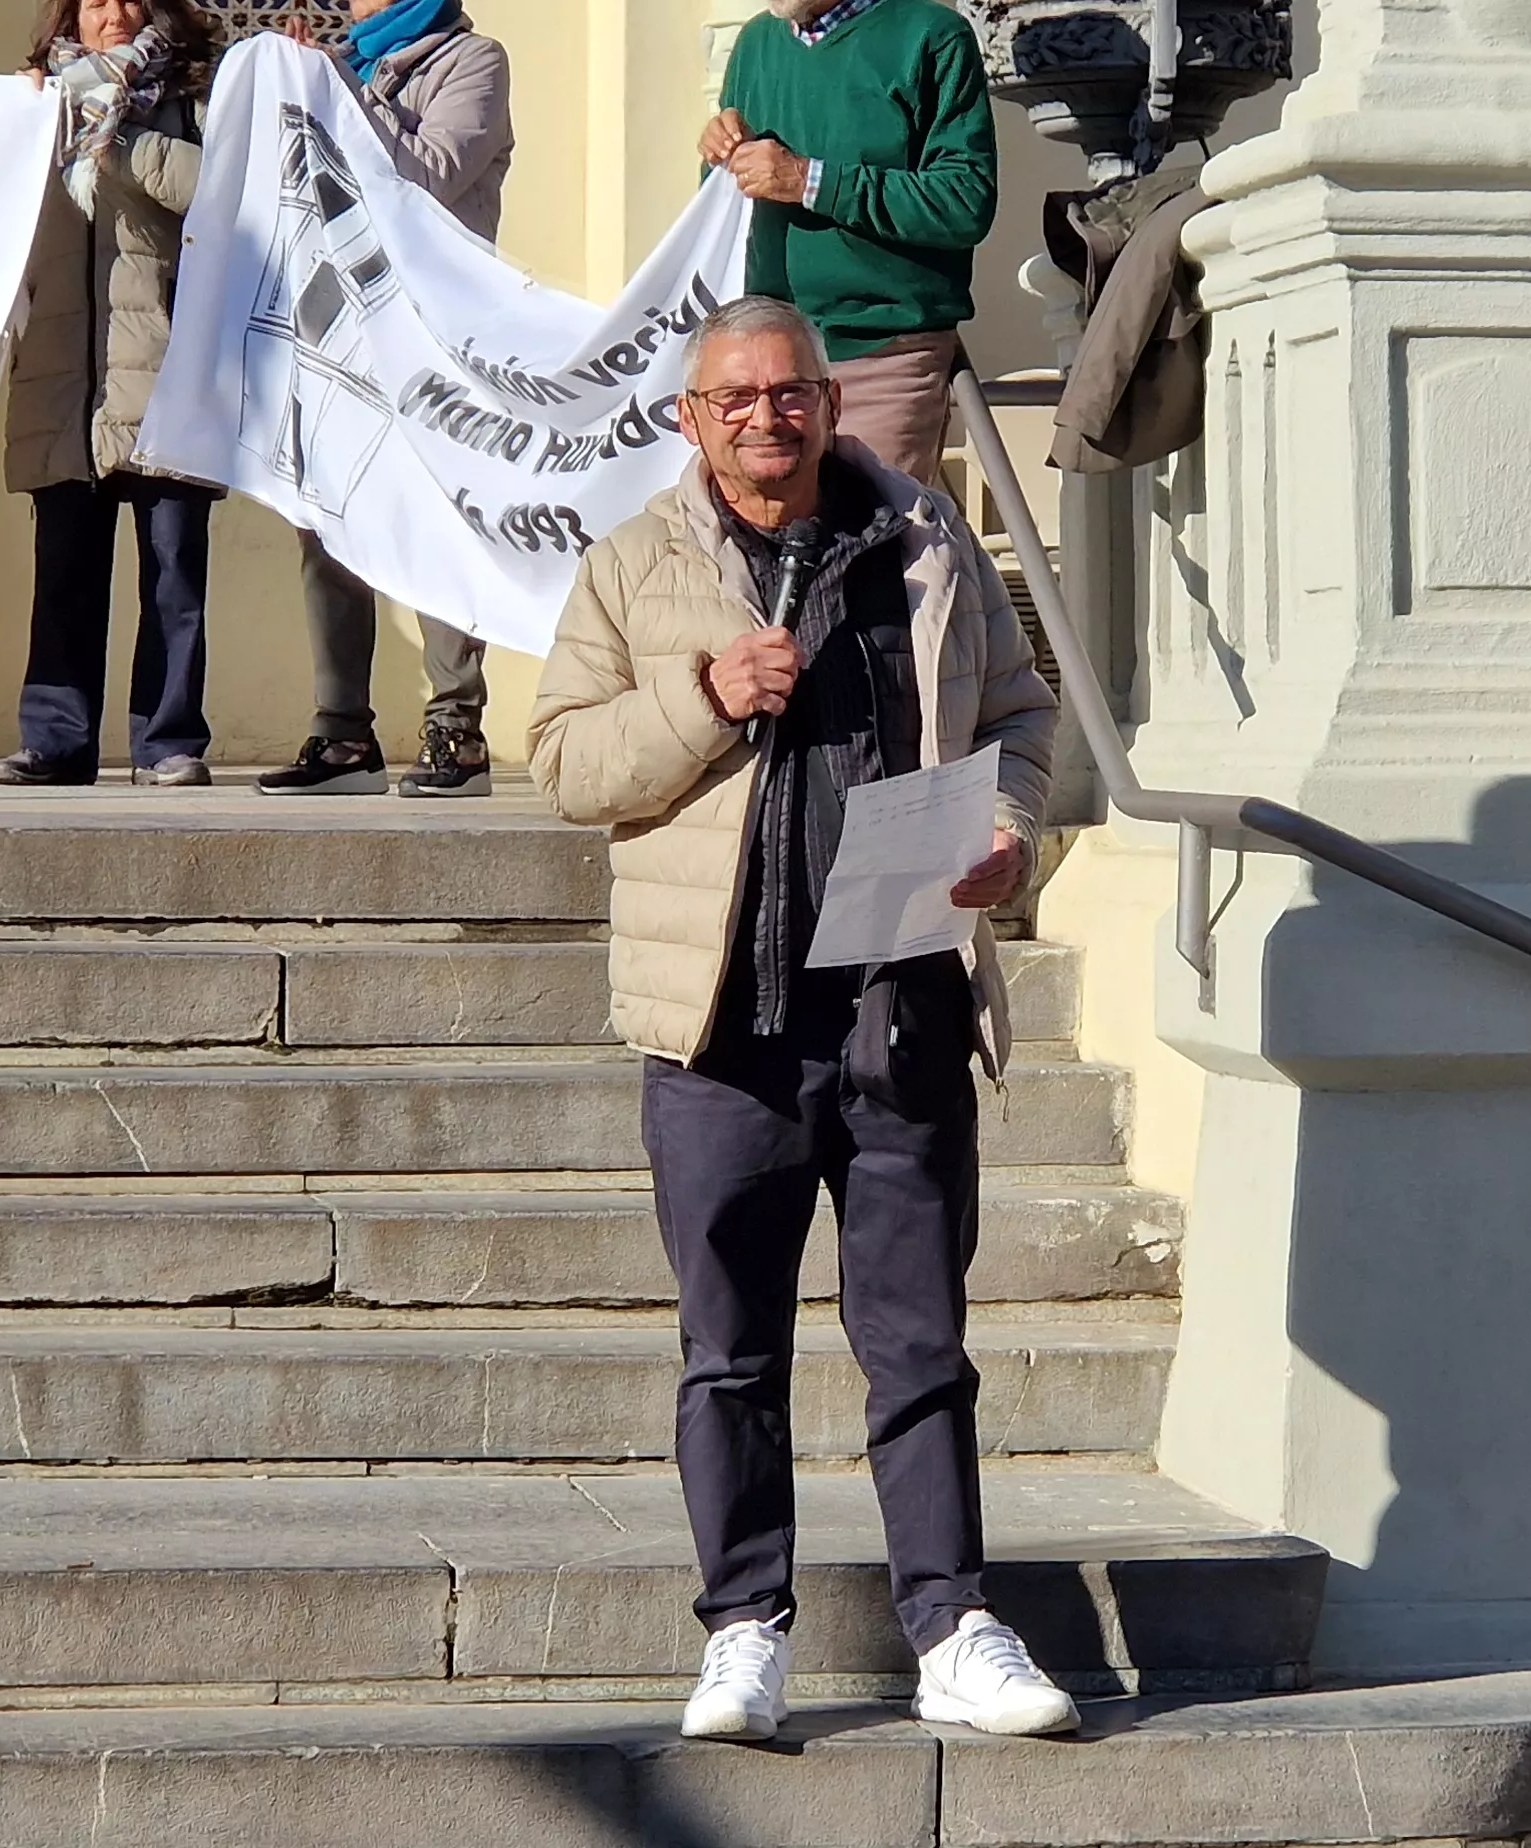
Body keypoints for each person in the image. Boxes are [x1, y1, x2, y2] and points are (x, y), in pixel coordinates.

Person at [527, 296, 1063, 1743]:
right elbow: (567, 764)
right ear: (691, 421)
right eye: (738, 399)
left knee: (922, 1344)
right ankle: (745, 1632)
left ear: (828, 406)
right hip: (724, 1033)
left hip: (902, 1007)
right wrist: (704, 698)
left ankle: (951, 1625)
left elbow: (1023, 720)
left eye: (793, 394)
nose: (770, 417)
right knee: (731, 1351)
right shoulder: (635, 568)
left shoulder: (926, 540)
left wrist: (1016, 842)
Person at [258, 0, 512, 799]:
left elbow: (431, 177)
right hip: (339, 324)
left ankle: (456, 731)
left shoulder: (475, 61)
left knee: (436, 520)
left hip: (433, 333)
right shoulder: (351, 63)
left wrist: (337, 91)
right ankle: (342, 733)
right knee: (327, 521)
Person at [0, 0, 221, 788]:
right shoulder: (33, 107)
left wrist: (117, 137)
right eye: (96, 2)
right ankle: (56, 741)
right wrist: (21, 123)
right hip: (64, 378)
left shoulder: (194, 97)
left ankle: (169, 742)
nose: (115, 15)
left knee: (172, 576)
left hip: (165, 373)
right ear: (71, 19)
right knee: (63, 574)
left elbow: (218, 195)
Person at [701, 0, 995, 479]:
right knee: (757, 542)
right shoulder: (755, 44)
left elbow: (965, 201)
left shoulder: (931, 36)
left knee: (868, 541)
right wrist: (721, 154)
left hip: (881, 354)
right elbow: (729, 211)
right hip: (765, 358)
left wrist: (809, 181)